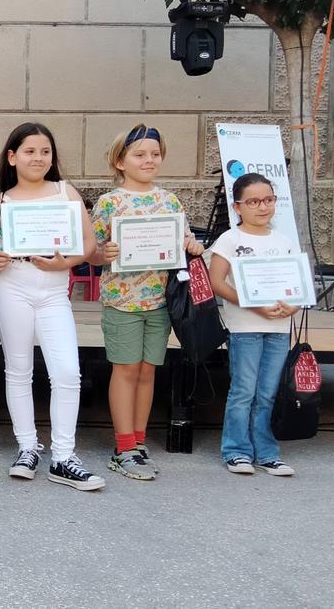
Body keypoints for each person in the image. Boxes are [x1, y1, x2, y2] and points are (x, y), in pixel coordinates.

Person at [0, 123, 105, 491]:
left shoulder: (65, 192)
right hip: (13, 286)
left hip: (53, 290)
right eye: (30, 151)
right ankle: (27, 447)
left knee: (66, 370)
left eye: (45, 151)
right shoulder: (1, 200)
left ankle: (63, 456)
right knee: (18, 368)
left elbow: (90, 247)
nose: (38, 158)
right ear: (12, 157)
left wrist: (65, 263)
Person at [89, 124, 204, 480]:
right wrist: (103, 253)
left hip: (160, 300)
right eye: (139, 154)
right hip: (122, 301)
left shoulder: (169, 200)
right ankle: (123, 446)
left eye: (155, 154)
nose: (149, 160)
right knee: (124, 370)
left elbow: (184, 242)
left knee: (147, 370)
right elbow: (91, 253)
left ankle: (138, 442)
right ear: (120, 161)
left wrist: (193, 247)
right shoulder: (110, 202)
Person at [208, 173, 297, 477]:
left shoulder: (284, 241)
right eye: (254, 201)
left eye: (269, 200)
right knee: (244, 390)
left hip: (279, 328)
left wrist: (293, 304)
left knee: (267, 392)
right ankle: (236, 451)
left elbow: (297, 285)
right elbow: (216, 282)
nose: (262, 207)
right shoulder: (231, 239)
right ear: (238, 206)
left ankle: (267, 452)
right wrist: (252, 304)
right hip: (245, 326)